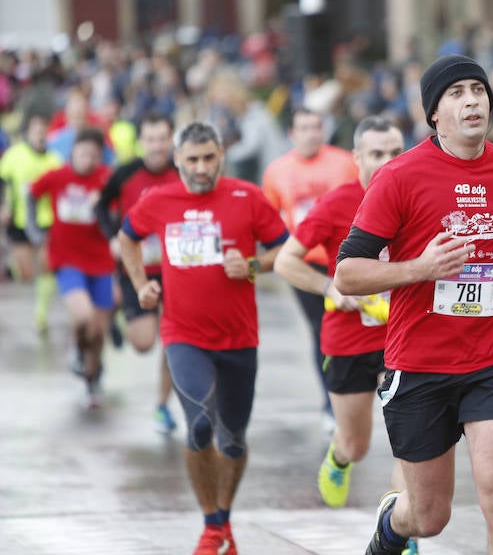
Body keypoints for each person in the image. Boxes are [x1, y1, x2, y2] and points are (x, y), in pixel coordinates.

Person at [333, 54, 493, 555]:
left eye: (478, 90)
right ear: (434, 113)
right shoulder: (398, 177)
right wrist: (419, 268)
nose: (472, 101)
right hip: (420, 365)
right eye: (457, 93)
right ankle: (391, 527)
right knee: (429, 515)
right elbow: (348, 273)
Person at [118, 121, 288, 555]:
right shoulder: (157, 200)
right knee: (198, 426)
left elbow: (286, 249)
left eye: (208, 157)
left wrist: (251, 266)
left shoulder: (246, 196)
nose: (200, 167)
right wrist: (141, 285)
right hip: (183, 335)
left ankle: (224, 522)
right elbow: (128, 238)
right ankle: (211, 525)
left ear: (221, 156)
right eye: (191, 159)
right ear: (176, 160)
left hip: (239, 338)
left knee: (233, 439)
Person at [273, 115, 418, 552]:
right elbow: (286, 260)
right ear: (356, 158)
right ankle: (338, 458)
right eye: (376, 154)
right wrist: (329, 286)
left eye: (395, 152)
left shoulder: (418, 197)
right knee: (356, 443)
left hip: (405, 338)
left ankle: (404, 527)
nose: (388, 161)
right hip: (349, 340)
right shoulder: (338, 202)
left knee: (408, 439)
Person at [263, 107, 358, 427]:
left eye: (316, 127)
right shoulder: (277, 171)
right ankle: (329, 401)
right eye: (303, 128)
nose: (311, 134)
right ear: (292, 134)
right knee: (321, 330)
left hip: (344, 260)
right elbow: (269, 219)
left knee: (356, 327)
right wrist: (259, 261)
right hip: (305, 264)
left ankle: (356, 394)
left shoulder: (345, 163)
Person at [95, 112, 181, 433]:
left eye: (162, 139)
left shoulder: (183, 172)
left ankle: (162, 406)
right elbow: (101, 206)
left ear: (171, 140)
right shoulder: (125, 174)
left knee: (173, 341)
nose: (157, 147)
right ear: (140, 142)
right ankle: (121, 316)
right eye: (150, 139)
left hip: (176, 270)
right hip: (136, 269)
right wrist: (113, 239)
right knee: (144, 342)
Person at [26, 128, 114, 406]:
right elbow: (30, 193)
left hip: (101, 260)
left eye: (93, 155)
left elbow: (121, 214)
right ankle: (75, 349)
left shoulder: (106, 179)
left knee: (99, 331)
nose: (87, 159)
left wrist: (104, 213)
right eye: (82, 153)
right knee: (83, 315)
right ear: (72, 153)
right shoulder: (58, 176)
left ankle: (93, 378)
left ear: (100, 157)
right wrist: (34, 232)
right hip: (67, 259)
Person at [0, 112, 62, 331]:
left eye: (43, 131)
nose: (40, 135)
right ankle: (22, 274)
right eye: (36, 131)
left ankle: (40, 314)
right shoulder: (14, 156)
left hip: (45, 220)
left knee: (46, 267)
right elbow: (4, 182)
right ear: (27, 133)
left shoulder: (54, 161)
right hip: (19, 219)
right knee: (26, 273)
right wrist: (4, 206)